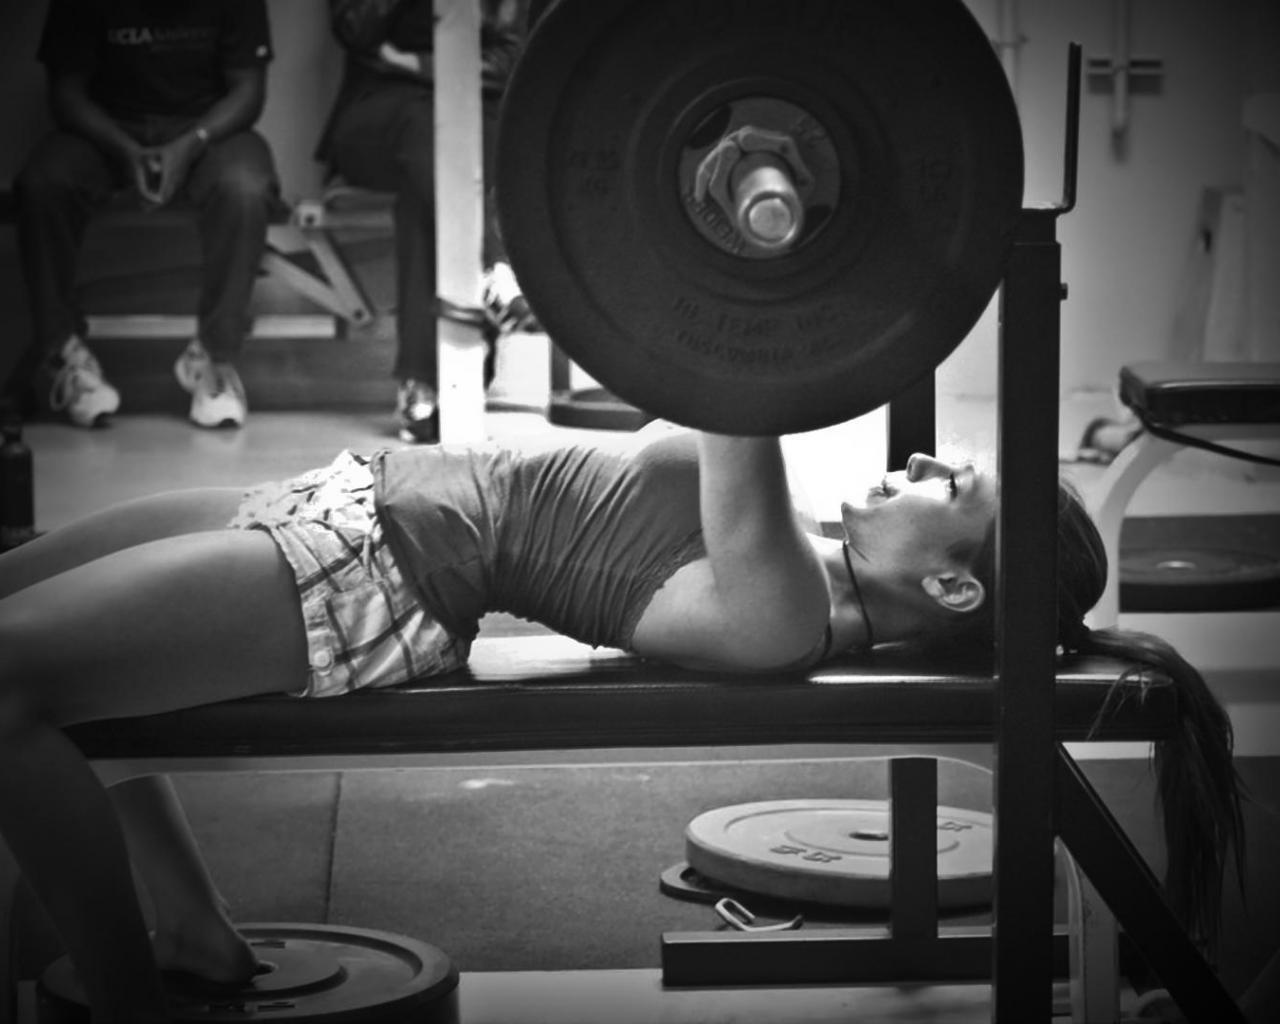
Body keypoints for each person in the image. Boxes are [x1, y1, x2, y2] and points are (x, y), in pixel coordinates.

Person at [0, 425, 1249, 1021]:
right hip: (353, 496)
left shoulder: (779, 605)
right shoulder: (799, 565)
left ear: (955, 586)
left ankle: (128, 1007)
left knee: (9, 683)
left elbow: (731, 372)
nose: (920, 464)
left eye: (949, 485)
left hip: (375, 567)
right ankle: (197, 932)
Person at [6, 0, 282, 431]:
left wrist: (189, 144)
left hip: (207, 128)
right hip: (105, 127)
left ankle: (214, 358)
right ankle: (62, 354)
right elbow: (65, 95)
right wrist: (126, 150)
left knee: (246, 187)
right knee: (43, 183)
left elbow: (249, 91)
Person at [317, 0, 535, 444]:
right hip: (379, 115)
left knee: (432, 182)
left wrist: (409, 61)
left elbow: (508, 63)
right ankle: (492, 267)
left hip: (472, 111)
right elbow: (355, 29)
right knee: (434, 134)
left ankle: (422, 387)